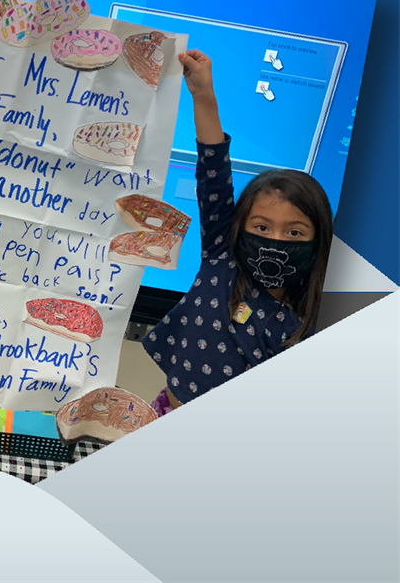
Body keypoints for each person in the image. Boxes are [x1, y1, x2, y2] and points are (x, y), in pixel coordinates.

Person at [143, 50, 334, 416]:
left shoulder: (301, 326)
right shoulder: (222, 257)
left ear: (318, 243)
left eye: (294, 233)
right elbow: (212, 172)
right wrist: (203, 95)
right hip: (162, 409)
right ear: (239, 227)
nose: (275, 240)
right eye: (262, 227)